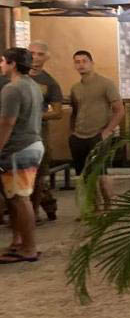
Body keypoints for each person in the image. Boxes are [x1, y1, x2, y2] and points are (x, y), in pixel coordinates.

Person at [0, 48, 44, 263]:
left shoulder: (12, 88)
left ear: (13, 64)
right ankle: (19, 242)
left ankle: (29, 248)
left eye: (3, 61)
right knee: (15, 198)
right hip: (32, 143)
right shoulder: (33, 85)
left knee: (20, 198)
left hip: (19, 147)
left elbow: (7, 122)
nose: (1, 65)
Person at [68, 50, 124, 210]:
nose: (81, 65)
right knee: (84, 175)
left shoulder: (106, 84)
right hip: (79, 136)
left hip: (98, 135)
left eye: (84, 61)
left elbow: (119, 110)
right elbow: (74, 112)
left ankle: (109, 207)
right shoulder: (75, 88)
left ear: (92, 63)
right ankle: (95, 208)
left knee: (101, 173)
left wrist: (107, 131)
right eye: (77, 62)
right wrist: (72, 133)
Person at [29, 41, 63, 221]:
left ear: (46, 57)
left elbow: (57, 112)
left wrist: (34, 115)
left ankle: (35, 212)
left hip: (38, 135)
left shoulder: (49, 83)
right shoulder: (12, 76)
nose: (35, 57)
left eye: (40, 54)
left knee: (37, 175)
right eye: (32, 53)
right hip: (12, 134)